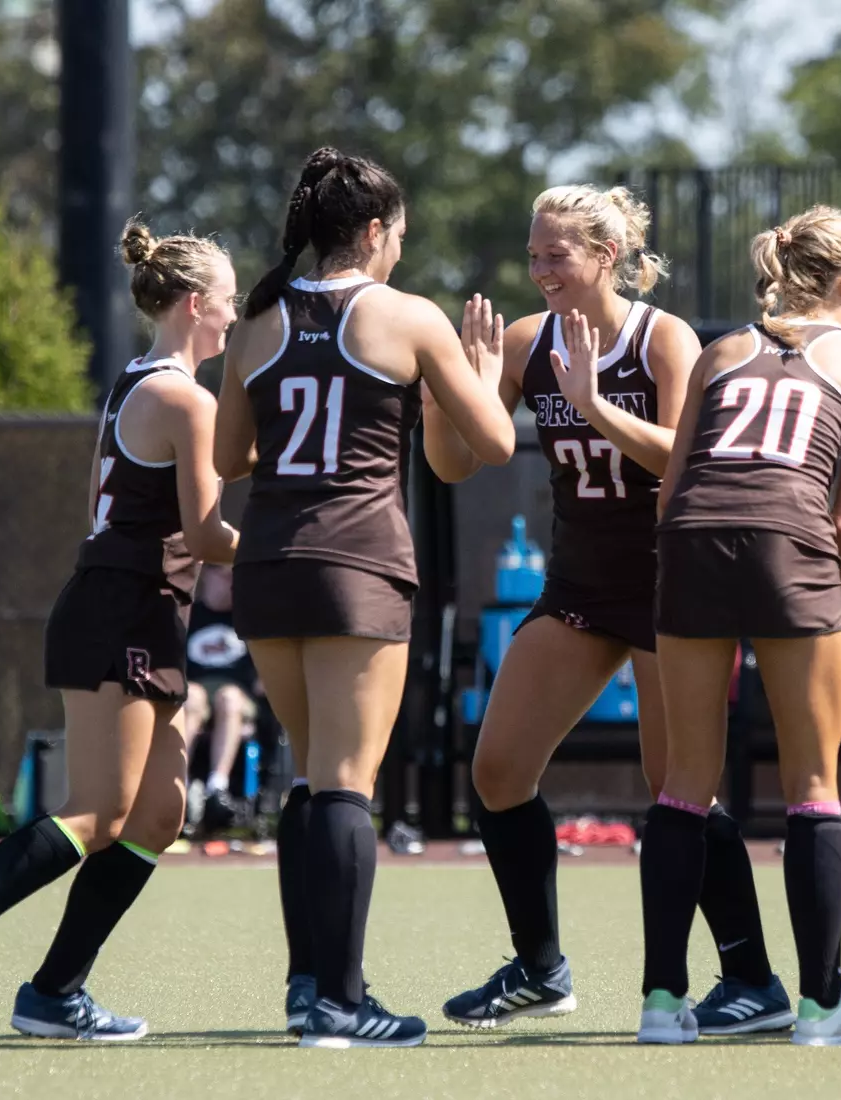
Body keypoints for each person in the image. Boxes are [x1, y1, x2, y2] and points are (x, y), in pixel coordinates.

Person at [423, 185, 782, 1032]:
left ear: (605, 256)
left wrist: (592, 405)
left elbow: (686, 457)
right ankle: (541, 969)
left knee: (676, 786)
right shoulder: (526, 339)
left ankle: (752, 979)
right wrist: (446, 396)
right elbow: (460, 463)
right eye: (533, 255)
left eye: (557, 255)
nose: (541, 270)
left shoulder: (663, 338)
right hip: (580, 587)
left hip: (668, 582)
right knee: (498, 772)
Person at [0, 220, 241, 1039]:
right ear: (195, 303)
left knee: (159, 814)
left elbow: (120, 508)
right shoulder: (185, 398)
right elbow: (207, 532)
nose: (233, 314)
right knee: (100, 814)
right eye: (228, 300)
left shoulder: (135, 383)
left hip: (141, 608)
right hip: (123, 609)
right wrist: (291, 545)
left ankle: (54, 994)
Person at [215, 146, 515, 1048]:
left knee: (310, 776)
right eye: (399, 237)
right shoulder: (409, 317)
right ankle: (342, 1006)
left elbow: (230, 457)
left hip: (269, 561)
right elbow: (495, 442)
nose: (399, 251)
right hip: (358, 563)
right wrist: (480, 373)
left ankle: (309, 988)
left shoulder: (258, 320)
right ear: (376, 231)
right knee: (347, 783)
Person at [638, 206, 841, 1046]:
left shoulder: (721, 350)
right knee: (813, 784)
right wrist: (819, 598)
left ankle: (660, 1006)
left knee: (684, 783)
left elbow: (671, 489)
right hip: (791, 545)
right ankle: (823, 1007)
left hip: (689, 541)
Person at [182, 563, 261, 835]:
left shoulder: (248, 618)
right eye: (224, 575)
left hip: (238, 699)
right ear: (207, 575)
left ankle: (218, 787)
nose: (230, 583)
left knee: (229, 698)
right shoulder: (188, 616)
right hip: (196, 695)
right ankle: (179, 786)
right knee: (192, 696)